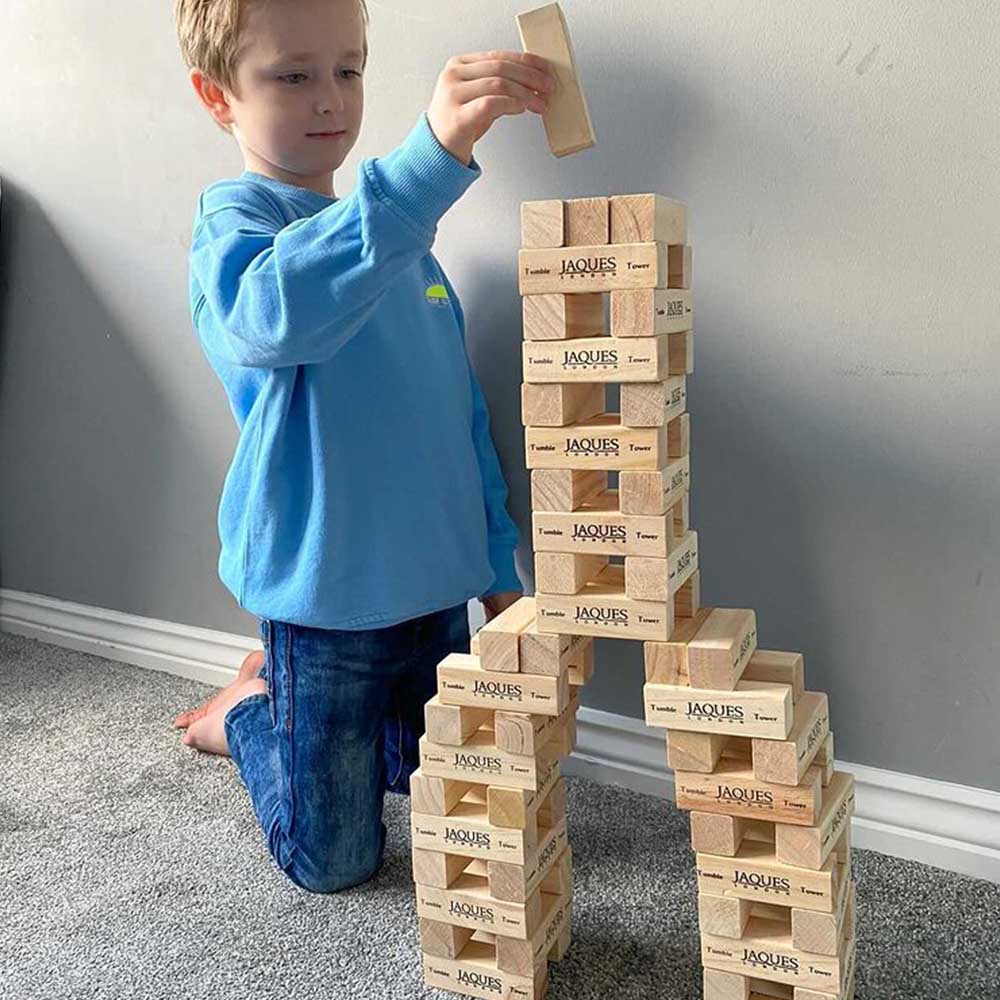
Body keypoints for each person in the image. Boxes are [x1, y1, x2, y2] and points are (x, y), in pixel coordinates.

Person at [170, 0, 554, 893]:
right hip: (326, 606)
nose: (329, 98)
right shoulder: (236, 229)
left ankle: (292, 714)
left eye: (347, 70)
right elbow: (272, 317)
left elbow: (459, 426)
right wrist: (426, 161)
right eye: (292, 75)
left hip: (429, 596)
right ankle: (251, 714)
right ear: (217, 95)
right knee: (334, 860)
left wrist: (499, 568)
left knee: (430, 788)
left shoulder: (407, 259)